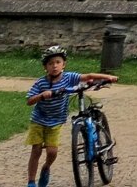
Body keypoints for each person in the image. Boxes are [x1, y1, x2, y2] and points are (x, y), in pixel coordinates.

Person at [26, 45, 117, 187]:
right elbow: (29, 100)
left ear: (64, 64)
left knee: (52, 152)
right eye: (50, 63)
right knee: (36, 150)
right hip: (38, 120)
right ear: (45, 67)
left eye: (58, 62)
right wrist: (42, 95)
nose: (54, 66)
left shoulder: (68, 77)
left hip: (56, 122)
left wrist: (108, 77)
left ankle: (46, 167)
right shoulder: (41, 82)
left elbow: (88, 76)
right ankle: (31, 181)